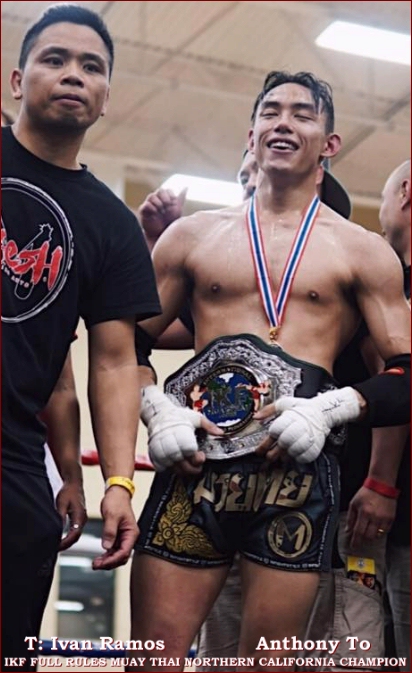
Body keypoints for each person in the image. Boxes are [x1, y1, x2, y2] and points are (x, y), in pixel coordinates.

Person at [128, 71, 410, 672]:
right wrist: (157, 410)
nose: (283, 123)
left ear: (329, 144)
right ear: (251, 132)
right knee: (152, 659)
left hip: (293, 481)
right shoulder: (190, 237)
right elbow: (121, 347)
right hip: (195, 472)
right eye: (270, 111)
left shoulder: (363, 251)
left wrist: (332, 408)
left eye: (302, 114)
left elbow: (406, 372)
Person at [1, 5, 161, 671]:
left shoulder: (112, 224)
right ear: (17, 81)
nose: (73, 74)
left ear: (105, 97)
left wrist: (114, 481)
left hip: (12, 459)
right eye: (55, 59)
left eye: (91, 67)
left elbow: (114, 363)